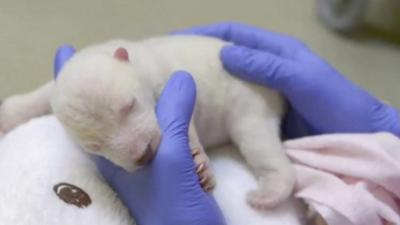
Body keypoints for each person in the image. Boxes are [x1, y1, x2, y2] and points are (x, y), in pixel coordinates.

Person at [54, 22, 400, 225]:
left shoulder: (139, 62)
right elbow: (57, 92)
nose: (134, 149)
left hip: (237, 88)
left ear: (123, 59)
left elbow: (180, 105)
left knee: (249, 120)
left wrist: (193, 150)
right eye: (96, 145)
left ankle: (277, 172)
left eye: (129, 108)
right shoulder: (98, 74)